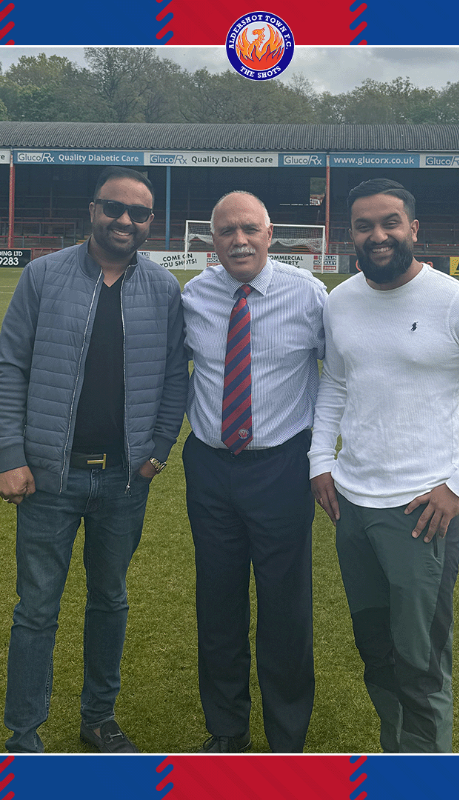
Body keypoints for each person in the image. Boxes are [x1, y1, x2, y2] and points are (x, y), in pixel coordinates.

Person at [309, 178, 459, 753]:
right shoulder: (341, 301)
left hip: (419, 515)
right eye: (364, 225)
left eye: (390, 222)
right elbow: (336, 382)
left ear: (414, 229)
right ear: (352, 234)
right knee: (376, 650)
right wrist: (320, 458)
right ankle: (399, 755)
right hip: (353, 508)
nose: (377, 235)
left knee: (421, 661)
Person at [0, 166, 188, 753]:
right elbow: (9, 369)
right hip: (49, 475)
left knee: (110, 600)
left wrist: (158, 449)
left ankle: (98, 718)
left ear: (151, 222)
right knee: (37, 608)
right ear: (93, 210)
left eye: (139, 213)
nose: (125, 220)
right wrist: (10, 455)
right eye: (114, 208)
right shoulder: (43, 276)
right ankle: (24, 734)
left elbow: (176, 376)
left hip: (126, 480)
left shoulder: (162, 289)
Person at [181, 191, 327, 753]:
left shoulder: (308, 295)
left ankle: (287, 735)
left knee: (284, 605)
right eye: (226, 232)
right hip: (211, 467)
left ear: (270, 235)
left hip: (282, 468)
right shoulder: (194, 296)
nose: (238, 240)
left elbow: (338, 376)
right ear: (211, 241)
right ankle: (226, 730)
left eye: (249, 229)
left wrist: (325, 459)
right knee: (217, 602)